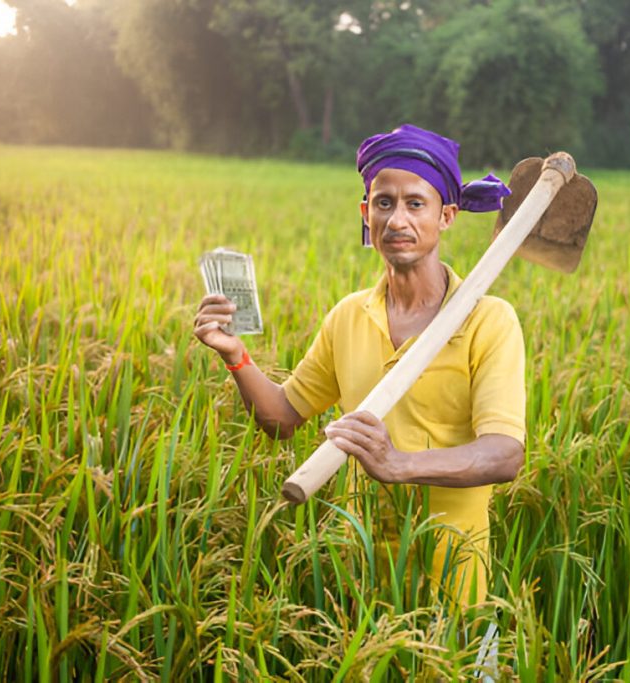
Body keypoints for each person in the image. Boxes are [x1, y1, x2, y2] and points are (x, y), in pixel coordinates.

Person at [193, 124, 526, 608]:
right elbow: (283, 419)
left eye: (416, 203)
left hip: (457, 589)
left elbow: (504, 455)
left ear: (446, 216)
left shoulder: (489, 320)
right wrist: (235, 355)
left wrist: (399, 465)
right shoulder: (349, 315)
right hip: (359, 582)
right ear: (365, 213)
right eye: (384, 202)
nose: (397, 219)